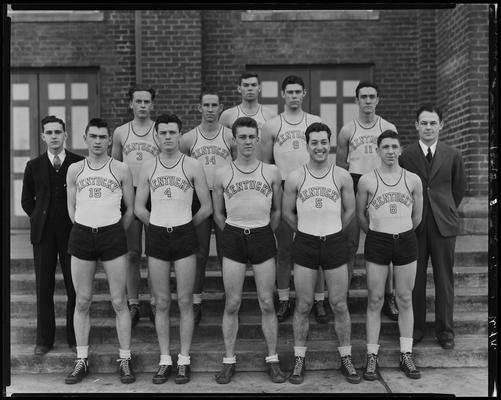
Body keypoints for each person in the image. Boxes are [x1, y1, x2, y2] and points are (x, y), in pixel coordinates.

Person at [135, 113, 213, 384]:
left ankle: (184, 359)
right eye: (163, 132)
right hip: (157, 236)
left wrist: (186, 226)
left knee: (184, 301)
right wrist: (156, 225)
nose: (168, 137)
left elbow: (206, 207)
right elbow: (138, 207)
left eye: (172, 132)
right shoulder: (148, 166)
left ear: (180, 135)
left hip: (184, 235)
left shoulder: (192, 165)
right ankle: (165, 359)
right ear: (156, 135)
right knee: (162, 302)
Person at [282, 122, 360, 384]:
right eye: (314, 142)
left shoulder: (342, 176)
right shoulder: (295, 176)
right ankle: (299, 359)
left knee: (339, 303)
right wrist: (305, 232)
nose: (319, 147)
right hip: (305, 243)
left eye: (323, 142)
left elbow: (350, 210)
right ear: (307, 145)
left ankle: (346, 358)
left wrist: (333, 229)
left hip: (334, 243)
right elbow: (287, 213)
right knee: (303, 305)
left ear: (330, 144)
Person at [212, 117, 285, 384]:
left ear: (257, 139)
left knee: (267, 301)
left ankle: (273, 360)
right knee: (232, 302)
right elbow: (218, 214)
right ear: (233, 140)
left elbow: (276, 210)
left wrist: (263, 231)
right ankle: (229, 360)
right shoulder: (222, 173)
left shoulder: (271, 172)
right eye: (241, 137)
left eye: (250, 137)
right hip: (233, 235)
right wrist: (235, 231)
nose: (246, 141)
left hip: (262, 234)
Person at [65, 118, 135, 384]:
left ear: (109, 140)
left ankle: (125, 358)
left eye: (102, 137)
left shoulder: (121, 169)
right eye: (92, 136)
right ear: (85, 138)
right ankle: (81, 359)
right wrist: (83, 225)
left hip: (112, 234)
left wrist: (115, 230)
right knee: (82, 300)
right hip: (82, 234)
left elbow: (129, 209)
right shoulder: (75, 169)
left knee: (119, 301)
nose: (97, 141)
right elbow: (71, 207)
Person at [260, 75, 328, 324]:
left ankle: (319, 301)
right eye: (289, 92)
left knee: (317, 247)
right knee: (285, 248)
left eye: (298, 91)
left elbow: (322, 156)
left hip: (311, 187)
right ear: (282, 94)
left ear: (304, 93)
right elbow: (266, 164)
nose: (294, 96)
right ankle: (284, 299)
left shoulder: (315, 121)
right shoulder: (272, 125)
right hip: (285, 186)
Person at [356, 130, 423, 380]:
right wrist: (375, 234)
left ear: (400, 150)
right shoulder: (366, 180)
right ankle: (372, 356)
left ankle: (406, 354)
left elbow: (417, 216)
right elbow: (361, 215)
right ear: (378, 150)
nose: (391, 151)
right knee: (375, 299)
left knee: (405, 298)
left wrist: (401, 231)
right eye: (385, 147)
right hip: (378, 240)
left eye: (395, 146)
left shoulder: (413, 179)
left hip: (405, 239)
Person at [399, 105, 466, 349]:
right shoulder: (406, 155)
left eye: (433, 123)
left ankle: (445, 331)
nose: (428, 127)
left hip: (443, 225)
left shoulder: (453, 154)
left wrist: (445, 209)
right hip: (414, 224)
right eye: (424, 123)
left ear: (441, 125)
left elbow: (458, 190)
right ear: (416, 125)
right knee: (414, 280)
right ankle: (415, 329)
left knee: (444, 279)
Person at [336, 81, 400, 321]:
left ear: (378, 99)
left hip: (381, 186)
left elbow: (394, 161)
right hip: (354, 185)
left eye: (372, 96)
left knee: (386, 245)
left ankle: (389, 296)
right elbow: (341, 167)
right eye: (363, 97)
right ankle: (344, 295)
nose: (368, 101)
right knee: (350, 245)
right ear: (357, 100)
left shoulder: (387, 126)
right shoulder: (347, 130)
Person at [21, 115, 84, 356]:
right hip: (44, 234)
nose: (54, 136)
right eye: (50, 132)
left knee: (74, 285)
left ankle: (74, 337)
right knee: (43, 286)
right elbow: (26, 200)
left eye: (58, 132)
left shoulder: (79, 163)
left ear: (66, 135)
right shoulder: (33, 166)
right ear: (43, 136)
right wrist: (39, 217)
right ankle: (44, 339)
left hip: (72, 232)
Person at [180, 90, 235, 326]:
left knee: (227, 252)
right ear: (199, 108)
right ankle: (196, 300)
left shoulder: (231, 136)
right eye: (206, 105)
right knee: (200, 252)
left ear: (221, 107)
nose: (210, 109)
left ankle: (231, 300)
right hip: (199, 196)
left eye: (214, 105)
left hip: (225, 196)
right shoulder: (189, 138)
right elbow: (181, 168)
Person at [112, 85, 159, 327]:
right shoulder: (121, 132)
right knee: (132, 253)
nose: (142, 105)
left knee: (154, 253)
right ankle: (133, 303)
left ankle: (154, 301)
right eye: (138, 101)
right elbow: (115, 168)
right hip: (129, 193)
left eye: (146, 101)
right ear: (131, 104)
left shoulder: (159, 131)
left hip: (154, 194)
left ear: (152, 104)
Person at [219, 71, 277, 159]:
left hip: (262, 169)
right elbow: (222, 147)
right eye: (246, 85)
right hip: (237, 169)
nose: (250, 88)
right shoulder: (227, 116)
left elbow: (275, 148)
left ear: (259, 88)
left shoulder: (271, 115)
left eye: (253, 85)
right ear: (239, 88)